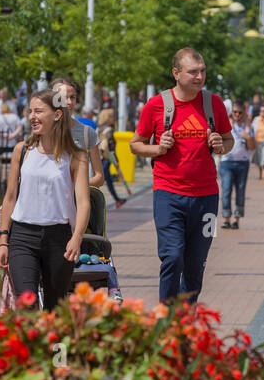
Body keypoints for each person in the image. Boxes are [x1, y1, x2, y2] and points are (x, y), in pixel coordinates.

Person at [130, 48, 233, 303]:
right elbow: (136, 144)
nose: (199, 76)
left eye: (203, 71)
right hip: (168, 195)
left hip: (207, 197)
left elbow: (229, 141)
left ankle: (186, 323)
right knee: (173, 256)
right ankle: (166, 316)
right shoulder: (157, 105)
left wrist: (220, 143)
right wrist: (157, 148)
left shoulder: (214, 103)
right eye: (193, 72)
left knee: (196, 265)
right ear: (176, 73)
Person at [0, 89, 90, 309]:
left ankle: (53, 345)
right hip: (22, 237)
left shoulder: (76, 156)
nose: (31, 117)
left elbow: (83, 202)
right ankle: (30, 343)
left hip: (60, 239)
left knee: (54, 308)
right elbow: (10, 198)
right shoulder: (22, 150)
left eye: (38, 111)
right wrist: (3, 241)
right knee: (26, 303)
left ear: (57, 115)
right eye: (30, 111)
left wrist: (77, 238)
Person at [219, 102, 254, 229]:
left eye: (239, 112)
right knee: (226, 189)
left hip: (243, 163)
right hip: (226, 162)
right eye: (235, 112)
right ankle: (226, 218)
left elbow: (252, 147)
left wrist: (248, 138)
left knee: (240, 190)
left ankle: (237, 220)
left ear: (244, 112)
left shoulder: (248, 127)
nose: (237, 115)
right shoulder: (226, 124)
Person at [99, 126, 132, 208]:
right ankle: (115, 200)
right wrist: (115, 159)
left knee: (107, 179)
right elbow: (111, 146)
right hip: (108, 157)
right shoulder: (109, 129)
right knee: (102, 178)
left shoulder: (99, 128)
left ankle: (117, 199)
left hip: (100, 156)